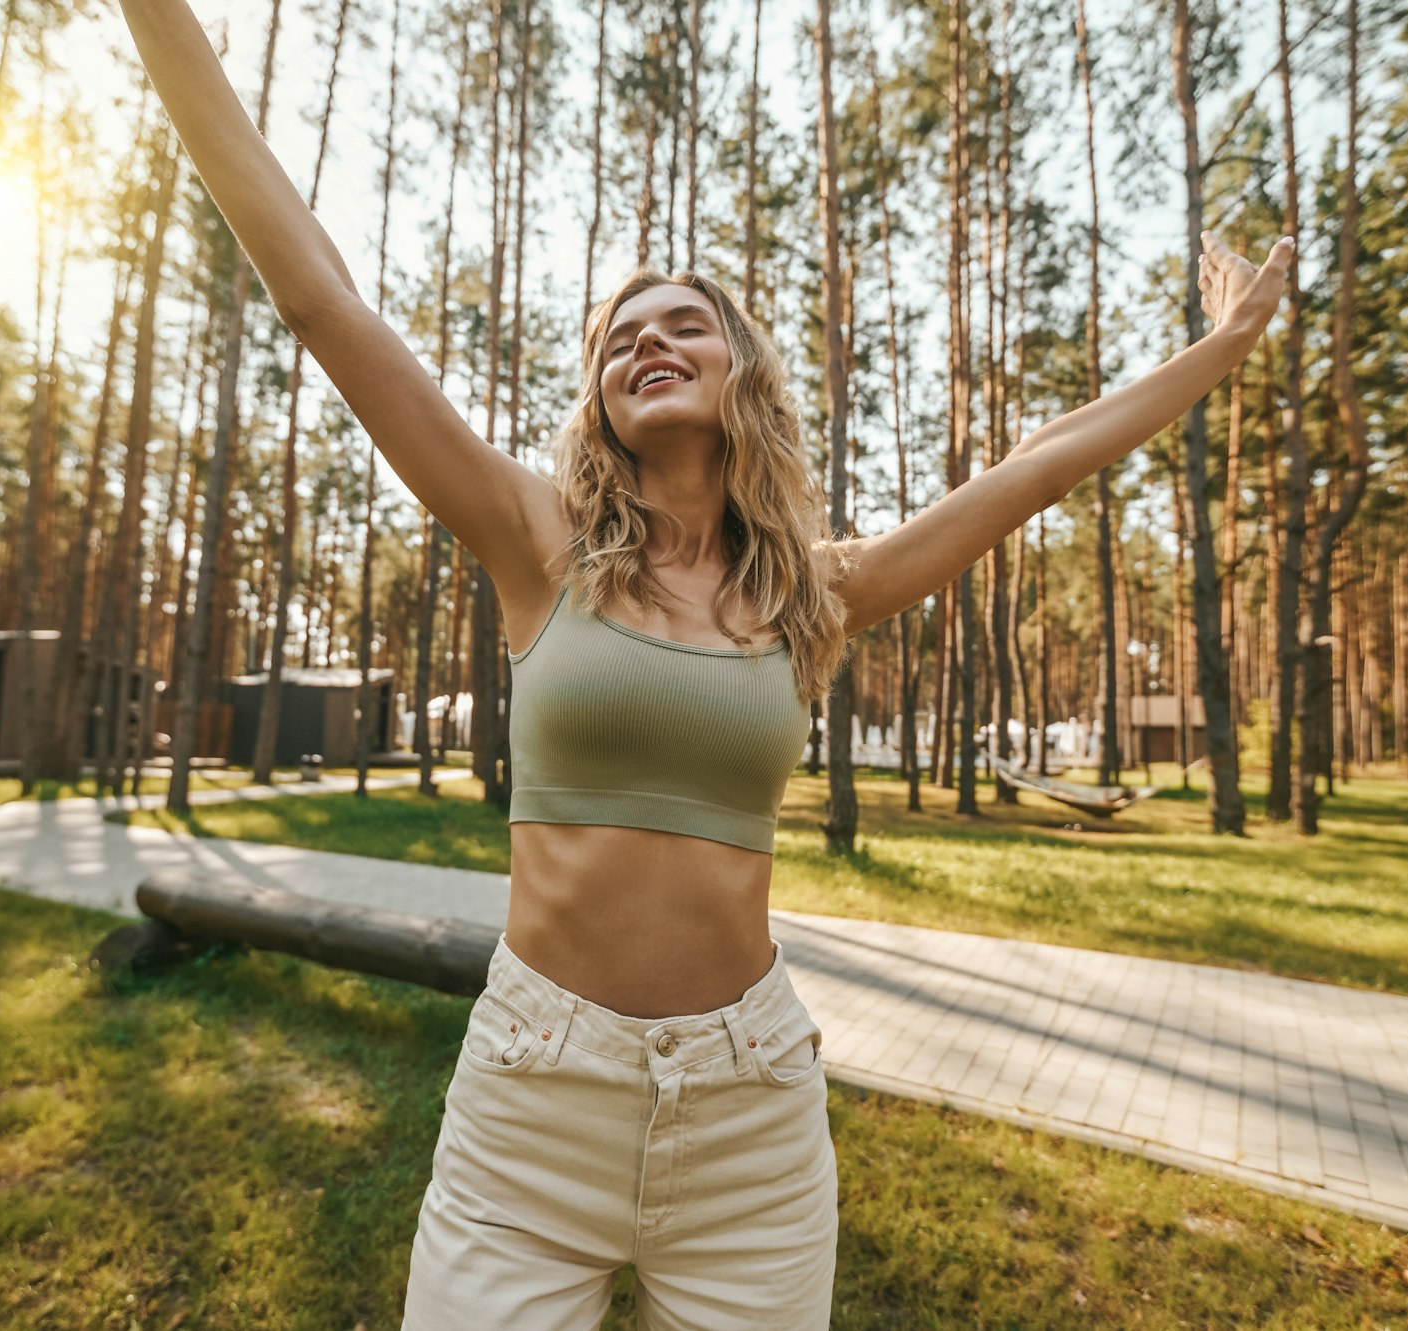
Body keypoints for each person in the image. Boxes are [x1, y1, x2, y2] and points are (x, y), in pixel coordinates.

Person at [115, 3, 1294, 1325]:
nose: (645, 343)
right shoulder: (535, 540)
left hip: (751, 1120)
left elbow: (1034, 467)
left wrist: (1225, 346)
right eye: (619, 339)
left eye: (681, 325)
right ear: (602, 406)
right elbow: (320, 300)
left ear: (743, 378)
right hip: (533, 1102)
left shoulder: (815, 591)